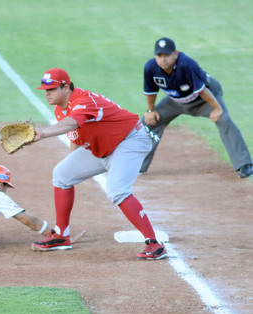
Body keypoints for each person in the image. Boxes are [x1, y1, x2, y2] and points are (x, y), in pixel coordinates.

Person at [29, 67, 167, 260]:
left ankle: (154, 244)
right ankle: (61, 235)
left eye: (51, 89)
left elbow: (73, 123)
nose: (47, 94)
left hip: (129, 141)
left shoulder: (84, 100)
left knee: (117, 190)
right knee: (62, 174)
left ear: (66, 87)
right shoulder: (60, 109)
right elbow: (75, 136)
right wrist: (72, 165)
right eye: (45, 90)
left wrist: (43, 133)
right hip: (103, 148)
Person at [140, 37, 252, 178]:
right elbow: (151, 91)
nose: (163, 59)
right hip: (175, 101)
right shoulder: (151, 67)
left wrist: (217, 109)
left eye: (167, 55)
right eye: (159, 55)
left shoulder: (186, 65)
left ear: (175, 53)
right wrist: (150, 110)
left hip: (204, 98)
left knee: (223, 119)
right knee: (148, 122)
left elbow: (203, 90)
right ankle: (138, 165)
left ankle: (244, 164)